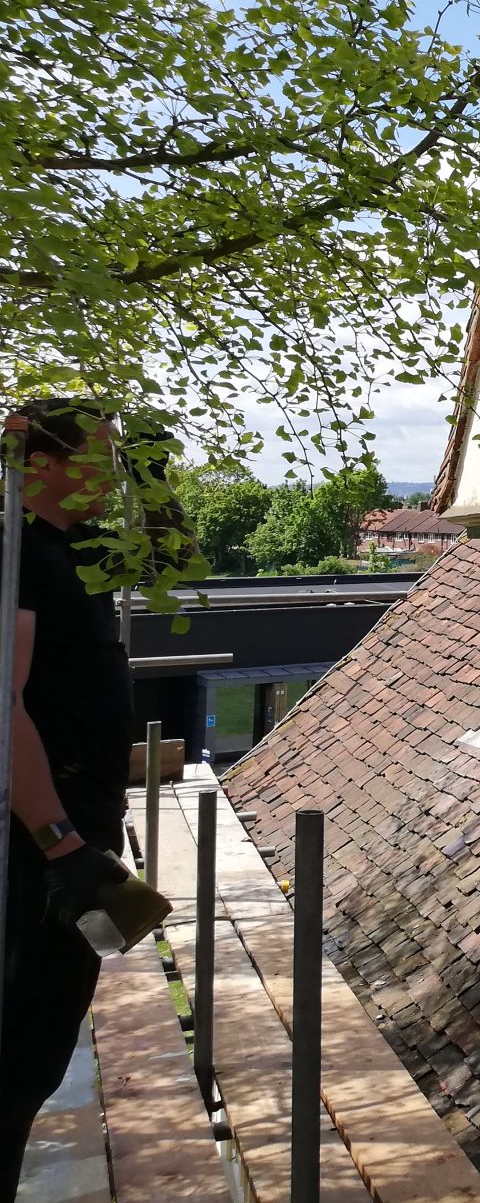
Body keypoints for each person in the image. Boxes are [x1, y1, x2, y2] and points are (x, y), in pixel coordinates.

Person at [3, 401, 141, 1198]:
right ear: (48, 462)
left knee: (53, 1031)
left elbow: (168, 562)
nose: (113, 469)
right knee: (21, 1044)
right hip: (40, 844)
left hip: (82, 830)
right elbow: (2, 702)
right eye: (102, 454)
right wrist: (59, 844)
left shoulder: (77, 547)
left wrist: (156, 482)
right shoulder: (15, 548)